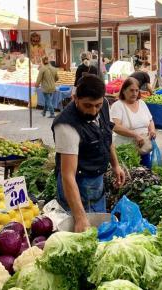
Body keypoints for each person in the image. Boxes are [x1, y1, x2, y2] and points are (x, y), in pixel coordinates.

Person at [52, 74, 126, 232]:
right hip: (77, 184)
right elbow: (67, 175)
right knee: (81, 233)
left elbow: (107, 136)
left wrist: (115, 165)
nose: (93, 111)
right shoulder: (66, 126)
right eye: (87, 105)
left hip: (96, 180)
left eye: (97, 105)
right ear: (75, 98)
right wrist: (79, 217)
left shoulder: (104, 104)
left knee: (99, 229)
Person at [110, 77, 156, 168]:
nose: (134, 93)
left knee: (146, 174)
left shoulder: (142, 103)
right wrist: (135, 135)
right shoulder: (118, 106)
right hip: (126, 151)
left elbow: (150, 120)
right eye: (131, 90)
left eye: (137, 90)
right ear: (123, 91)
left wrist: (152, 130)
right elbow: (115, 127)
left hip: (144, 149)